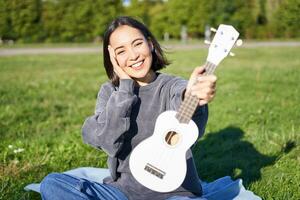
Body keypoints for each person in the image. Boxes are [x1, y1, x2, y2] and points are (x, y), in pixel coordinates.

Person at [40, 16, 217, 200]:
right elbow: (107, 142)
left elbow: (184, 102)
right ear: (113, 57)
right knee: (52, 184)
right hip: (122, 193)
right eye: (121, 51)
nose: (133, 55)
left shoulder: (171, 85)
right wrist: (125, 88)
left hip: (175, 194)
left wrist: (193, 95)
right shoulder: (110, 92)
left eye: (137, 44)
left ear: (150, 44)